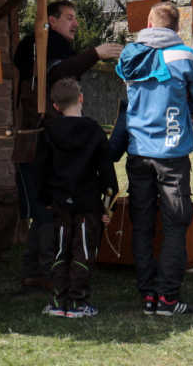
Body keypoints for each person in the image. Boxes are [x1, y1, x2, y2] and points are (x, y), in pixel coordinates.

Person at [12, 0, 122, 289]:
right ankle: (48, 272)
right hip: (34, 141)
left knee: (43, 212)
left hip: (39, 141)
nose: (75, 23)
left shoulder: (50, 49)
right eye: (69, 17)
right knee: (46, 212)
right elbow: (58, 75)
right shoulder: (41, 47)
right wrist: (95, 53)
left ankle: (34, 271)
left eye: (76, 17)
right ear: (52, 20)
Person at [109, 2, 193, 316]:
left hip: (138, 149)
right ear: (176, 27)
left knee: (142, 225)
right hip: (172, 150)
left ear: (150, 23)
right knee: (176, 223)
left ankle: (147, 294)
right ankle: (167, 297)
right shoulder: (185, 55)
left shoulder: (130, 54)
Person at [34, 78, 117, 318]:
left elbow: (40, 170)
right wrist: (107, 208)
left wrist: (44, 199)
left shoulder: (48, 132)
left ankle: (59, 302)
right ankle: (78, 303)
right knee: (83, 251)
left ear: (55, 106)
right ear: (81, 98)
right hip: (88, 203)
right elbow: (107, 173)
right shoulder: (95, 131)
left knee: (60, 250)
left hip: (59, 202)